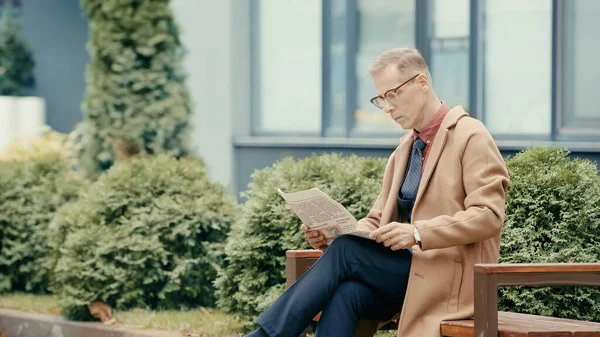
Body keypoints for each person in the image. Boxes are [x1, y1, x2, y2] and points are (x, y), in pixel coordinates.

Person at [246, 48, 510, 337]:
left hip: (446, 277)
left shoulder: (471, 135)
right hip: (404, 276)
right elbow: (374, 222)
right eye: (380, 99)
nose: (387, 107)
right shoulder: (403, 151)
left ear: (422, 82)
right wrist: (332, 235)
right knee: (347, 292)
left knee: (346, 253)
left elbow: (488, 216)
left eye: (392, 95)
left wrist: (418, 233)